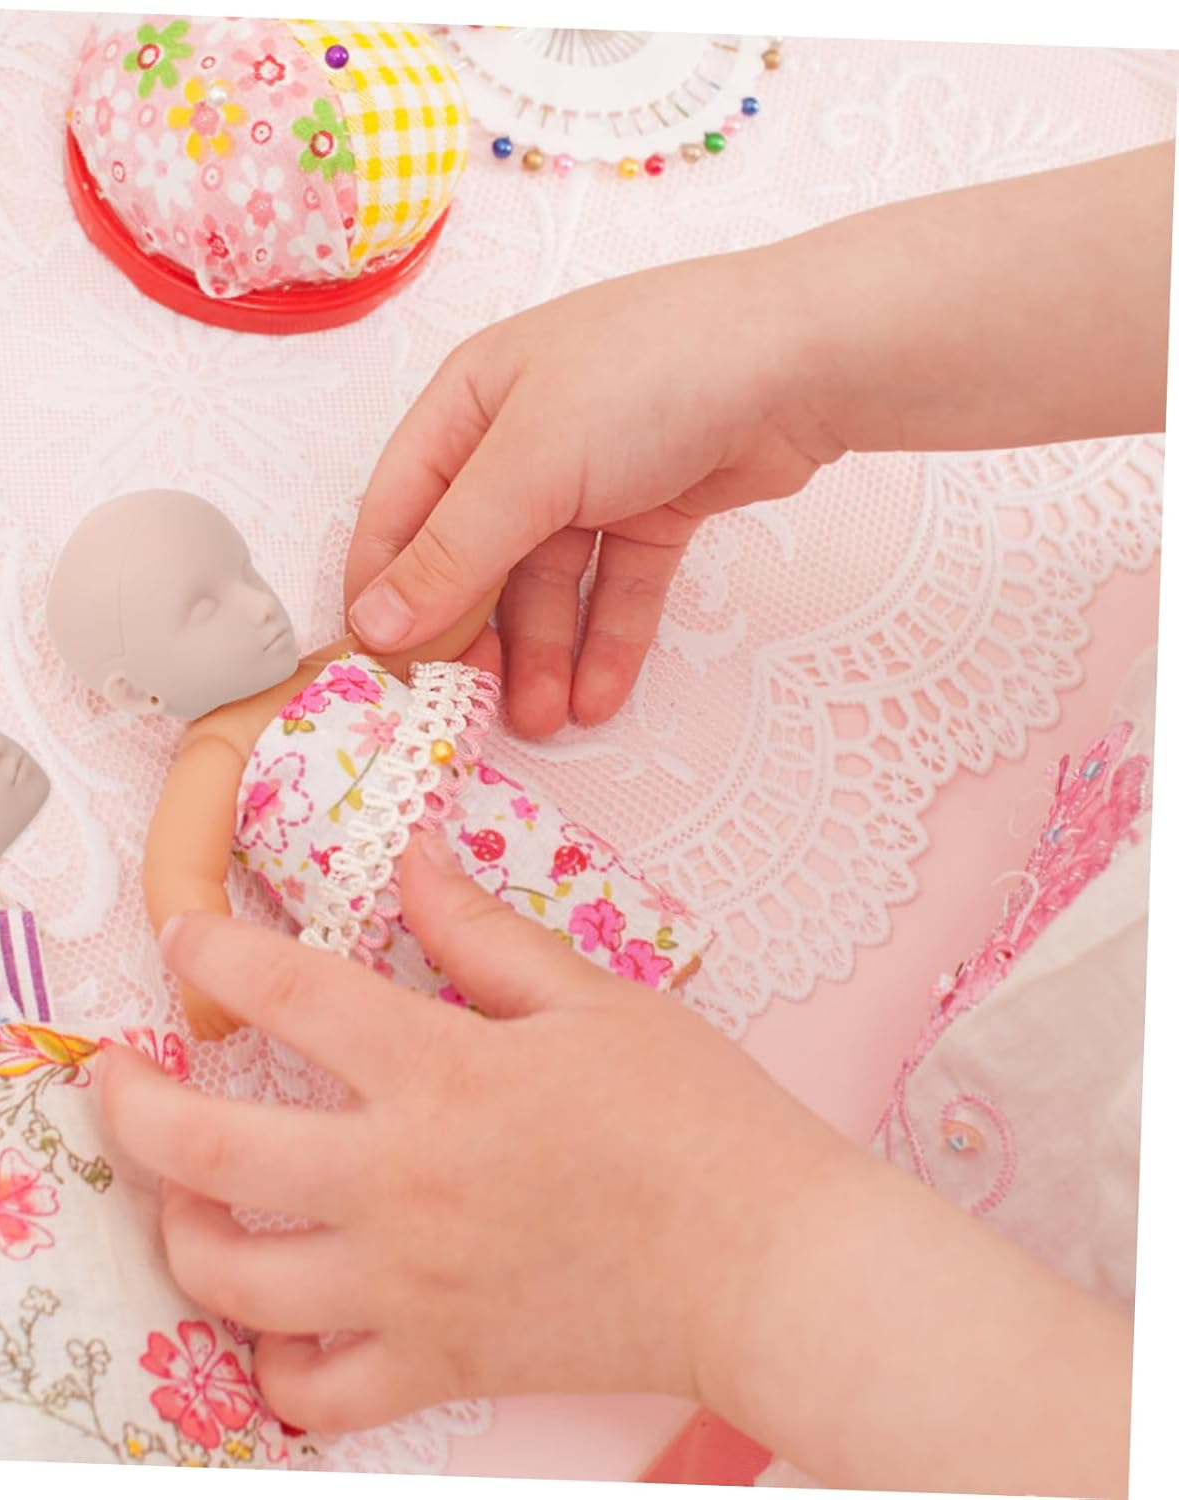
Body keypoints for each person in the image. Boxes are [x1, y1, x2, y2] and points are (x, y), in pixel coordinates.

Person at [99, 140, 1173, 1498]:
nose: (257, 608)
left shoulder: (316, 683)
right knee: (456, 959)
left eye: (237, 582)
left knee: (533, 898)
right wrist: (792, 338)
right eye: (207, 608)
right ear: (144, 685)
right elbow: (188, 872)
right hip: (422, 897)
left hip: (977, 1385)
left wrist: (736, 1260)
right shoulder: (224, 744)